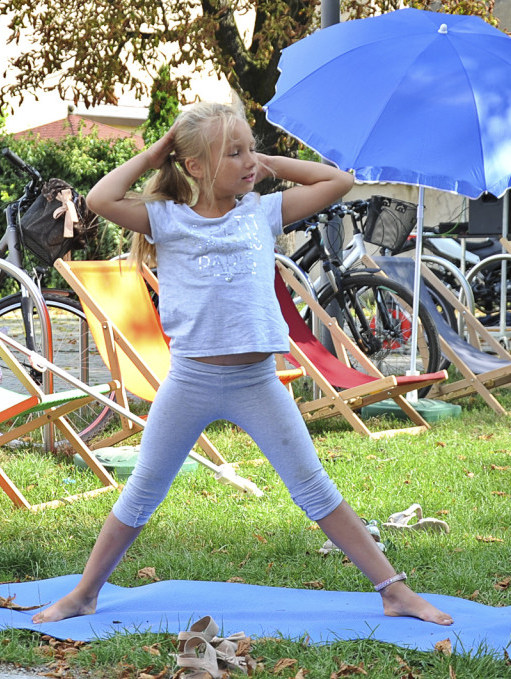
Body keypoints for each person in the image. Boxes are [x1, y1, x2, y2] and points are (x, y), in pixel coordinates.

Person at [33, 102, 453, 627]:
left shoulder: (262, 210)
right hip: (191, 380)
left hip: (257, 381)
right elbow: (99, 198)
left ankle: (393, 591)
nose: (247, 160)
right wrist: (157, 151)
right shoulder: (166, 219)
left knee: (314, 487)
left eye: (249, 147)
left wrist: (267, 162)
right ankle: (85, 594)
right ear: (195, 166)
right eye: (233, 153)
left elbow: (338, 181)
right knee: (142, 492)